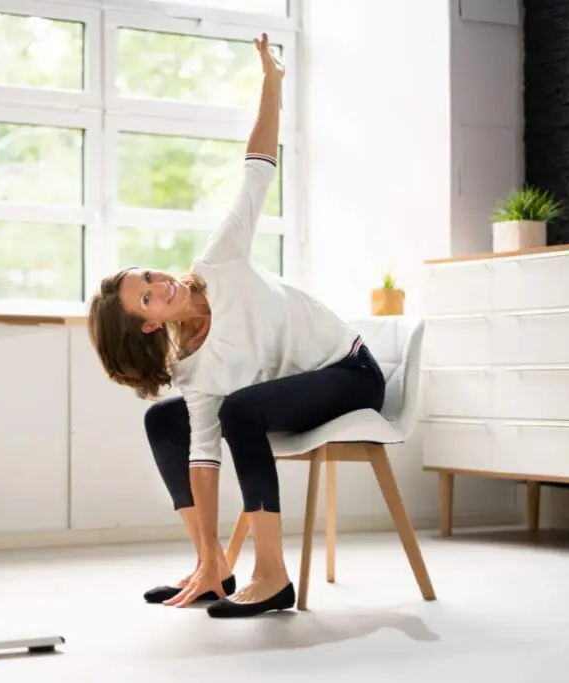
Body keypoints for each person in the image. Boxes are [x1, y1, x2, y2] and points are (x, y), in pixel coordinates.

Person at [86, 34, 387, 619]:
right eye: (148, 296)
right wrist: (206, 551)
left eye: (150, 275)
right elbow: (203, 459)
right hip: (288, 391)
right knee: (165, 421)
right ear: (147, 327)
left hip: (349, 372)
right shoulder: (194, 369)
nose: (161, 284)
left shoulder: (217, 261)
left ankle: (271, 575)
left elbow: (256, 171)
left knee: (241, 409)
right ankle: (213, 568)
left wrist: (271, 86)